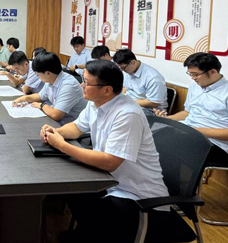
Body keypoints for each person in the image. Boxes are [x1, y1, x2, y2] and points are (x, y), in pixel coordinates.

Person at [40, 60, 169, 242]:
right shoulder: (96, 102)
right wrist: (56, 132)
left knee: (85, 200)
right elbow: (76, 128)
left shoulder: (127, 114)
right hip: (109, 181)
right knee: (71, 190)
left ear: (107, 90)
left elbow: (110, 162)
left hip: (137, 196)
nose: (81, 86)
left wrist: (62, 145)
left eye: (86, 82)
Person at [155, 53, 228, 165]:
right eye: (190, 74)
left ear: (213, 72)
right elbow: (187, 113)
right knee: (152, 138)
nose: (193, 78)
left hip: (215, 144)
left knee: (167, 149)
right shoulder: (194, 86)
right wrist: (168, 119)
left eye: (196, 74)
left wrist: (195, 131)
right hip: (188, 133)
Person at [13, 52, 87, 124]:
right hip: (57, 122)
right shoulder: (50, 79)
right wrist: (24, 98)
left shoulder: (68, 85)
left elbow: (56, 115)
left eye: (38, 74)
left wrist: (41, 106)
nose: (37, 76)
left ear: (48, 73)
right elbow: (40, 96)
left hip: (71, 126)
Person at [113, 49, 168, 115]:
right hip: (131, 104)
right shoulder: (127, 71)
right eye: (120, 68)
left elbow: (154, 102)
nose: (122, 70)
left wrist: (128, 101)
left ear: (133, 62)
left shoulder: (153, 78)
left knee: (121, 114)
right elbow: (125, 88)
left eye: (123, 68)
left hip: (151, 110)